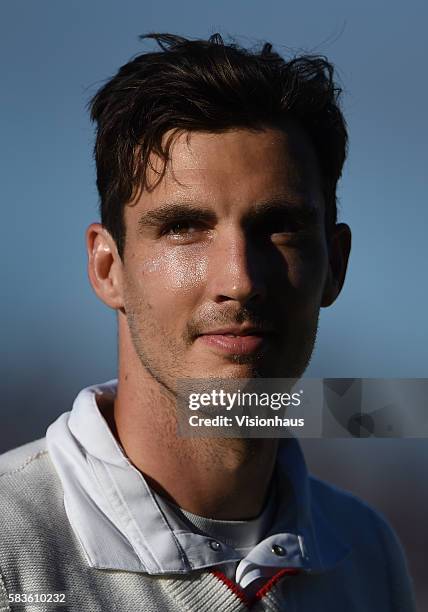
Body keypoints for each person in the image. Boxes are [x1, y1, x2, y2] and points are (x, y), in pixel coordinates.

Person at [0, 33, 416, 611]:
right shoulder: (8, 548)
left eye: (279, 226)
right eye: (184, 227)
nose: (240, 278)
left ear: (335, 264)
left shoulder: (368, 554)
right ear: (107, 267)